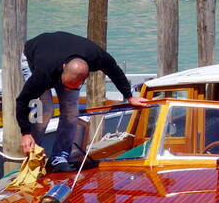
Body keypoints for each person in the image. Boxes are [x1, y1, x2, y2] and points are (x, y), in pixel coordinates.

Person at [16, 31, 148, 172]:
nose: (65, 89)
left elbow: (114, 70)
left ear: (84, 79)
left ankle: (59, 158)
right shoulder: (44, 72)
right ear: (63, 68)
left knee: (71, 109)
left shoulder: (96, 56)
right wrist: (25, 133)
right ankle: (32, 155)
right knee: (45, 108)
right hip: (34, 54)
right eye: (65, 84)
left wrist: (129, 96)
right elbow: (22, 100)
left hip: (61, 55)